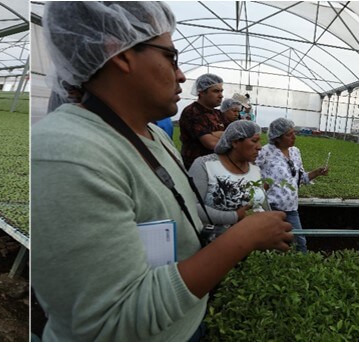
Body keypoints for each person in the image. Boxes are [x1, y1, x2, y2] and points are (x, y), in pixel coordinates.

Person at [32, 2, 293, 341]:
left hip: (180, 324)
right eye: (171, 57)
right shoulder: (68, 153)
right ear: (120, 53)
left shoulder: (151, 134)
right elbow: (110, 321)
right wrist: (243, 237)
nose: (182, 75)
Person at [256, 118, 329, 252]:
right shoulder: (264, 152)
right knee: (270, 244)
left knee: (300, 242)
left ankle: (302, 268)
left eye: (294, 132)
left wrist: (316, 173)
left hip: (291, 207)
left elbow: (300, 178)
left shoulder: (295, 152)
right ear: (277, 137)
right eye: (289, 134)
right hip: (270, 208)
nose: (294, 136)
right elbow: (250, 174)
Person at [188, 120, 268, 242]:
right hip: (215, 242)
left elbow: (262, 206)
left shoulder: (255, 169)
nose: (260, 147)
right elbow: (192, 206)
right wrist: (233, 216)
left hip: (253, 240)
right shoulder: (205, 165)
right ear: (235, 142)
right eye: (254, 141)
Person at [179, 73, 227, 167]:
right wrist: (224, 136)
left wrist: (214, 134)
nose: (221, 95)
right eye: (216, 91)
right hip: (196, 167)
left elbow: (234, 134)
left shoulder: (218, 113)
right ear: (201, 92)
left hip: (216, 166)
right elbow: (211, 143)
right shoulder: (192, 112)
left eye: (221, 91)